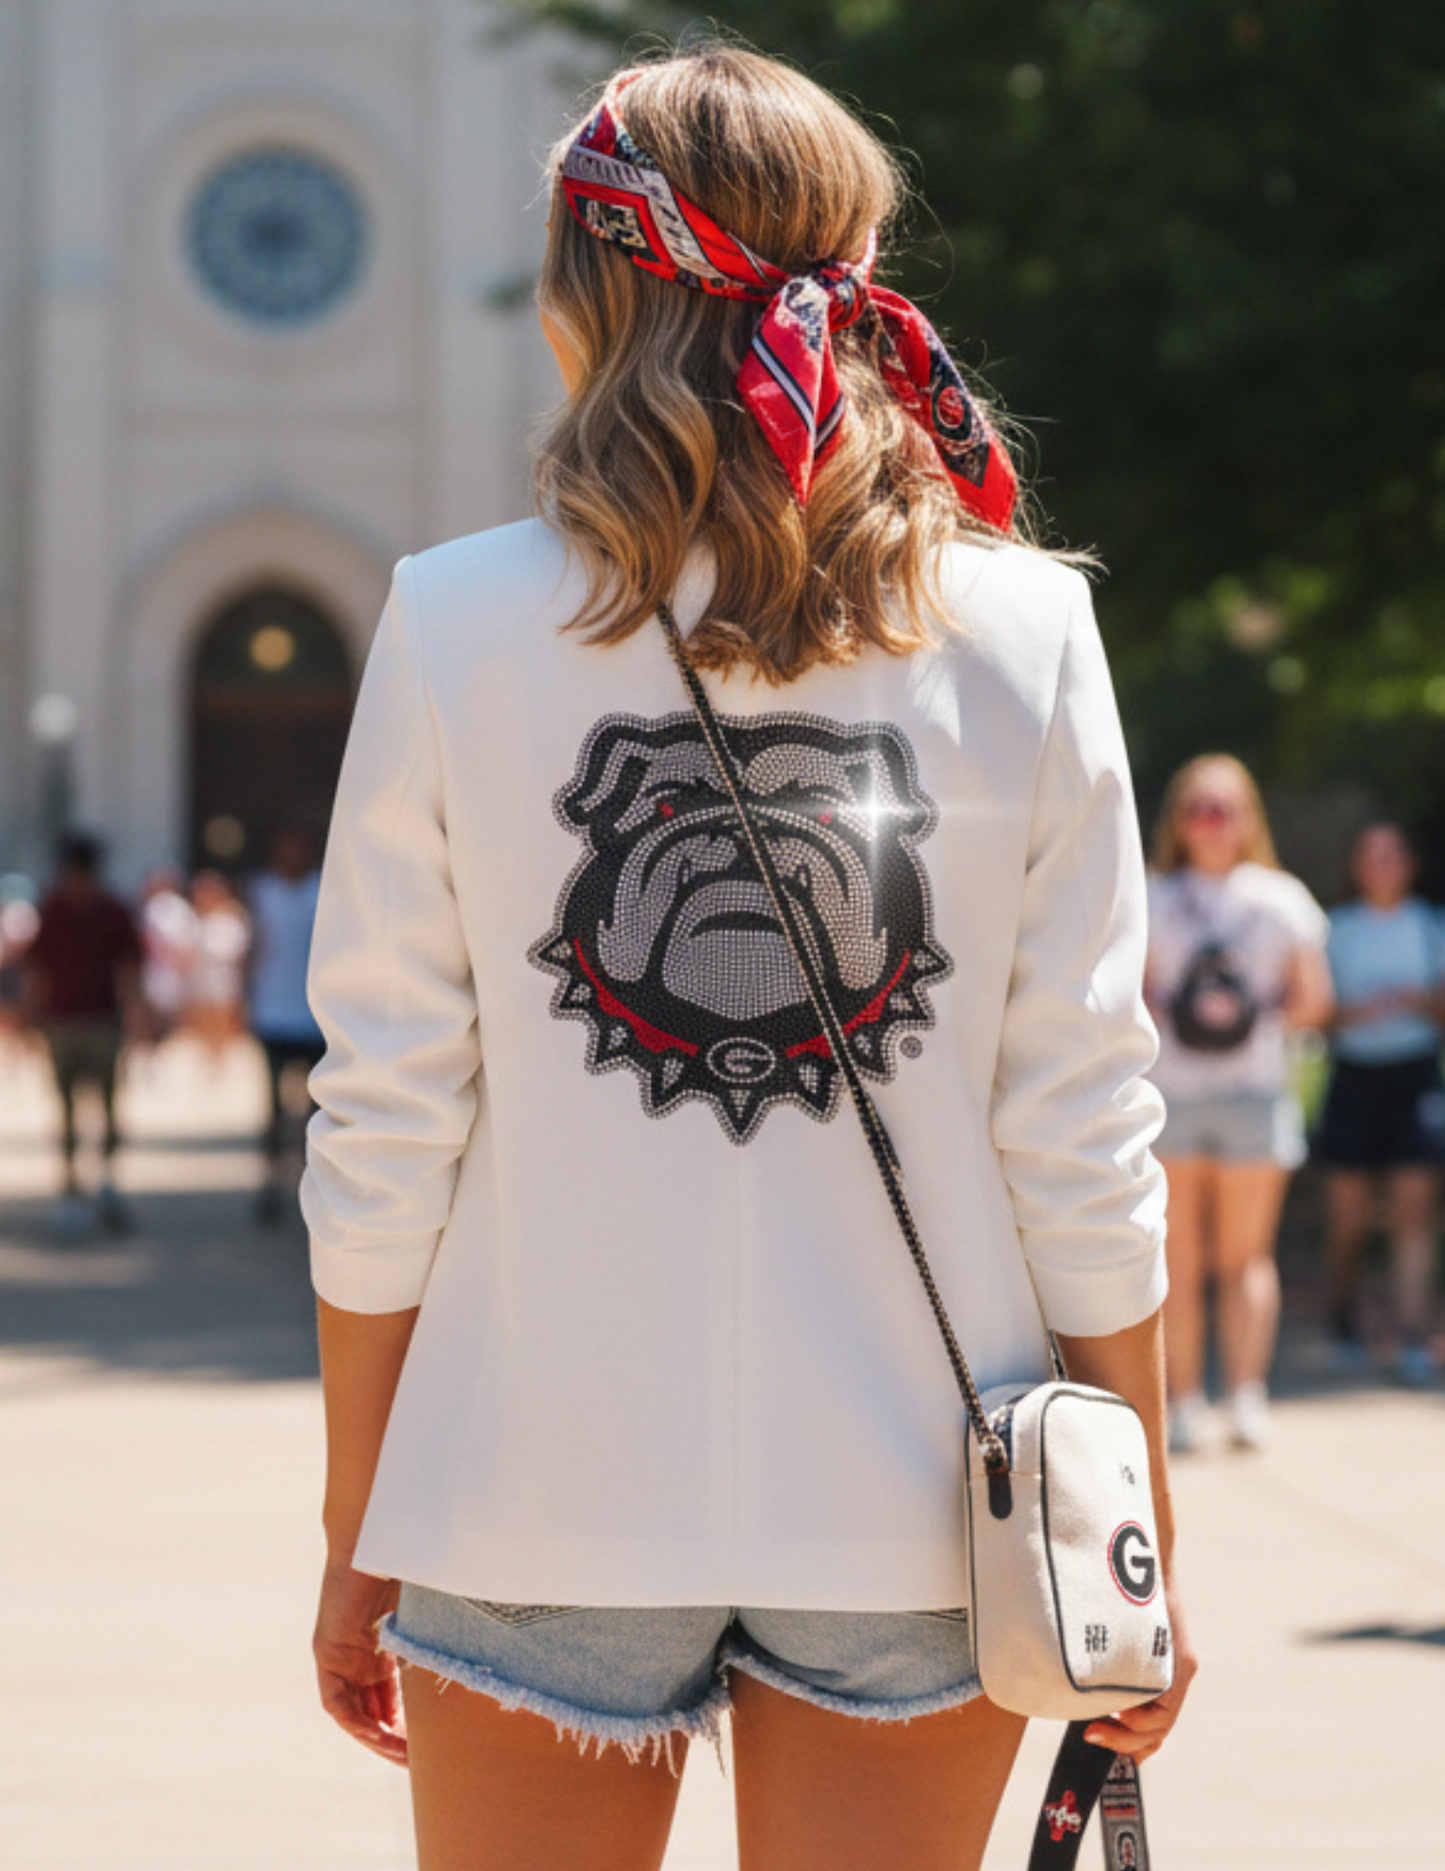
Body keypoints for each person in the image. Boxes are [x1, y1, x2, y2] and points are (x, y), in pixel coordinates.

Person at [303, 45, 1196, 1871]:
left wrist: (357, 1521)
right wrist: (1140, 1540)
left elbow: (386, 1127)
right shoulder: (1025, 634)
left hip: (528, 1478)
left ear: (588, 292)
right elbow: (1085, 1129)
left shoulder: (458, 621)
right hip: (924, 1497)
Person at [1145, 754, 1333, 1453]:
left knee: (1246, 1254)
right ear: (1178, 820)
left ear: (1247, 817)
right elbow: (1125, 994)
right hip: (1171, 1094)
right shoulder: (1148, 895)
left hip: (1253, 1089)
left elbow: (1315, 1002)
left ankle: (1245, 1394)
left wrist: (1253, 1011)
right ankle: (1185, 1400)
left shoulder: (1280, 899)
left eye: (1222, 808)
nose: (1210, 821)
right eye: (1197, 807)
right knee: (1178, 1257)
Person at [1316, 820, 1445, 1385]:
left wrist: (1420, 1002)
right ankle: (1342, 1312)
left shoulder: (1429, 927)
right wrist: (1353, 1014)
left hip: (1414, 1077)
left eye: (1393, 854)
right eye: (1371, 855)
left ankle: (1413, 1332)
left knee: (1415, 1211)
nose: (1382, 865)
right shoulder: (1335, 930)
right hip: (1352, 1076)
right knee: (1348, 1218)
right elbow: (1310, 1012)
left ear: (1409, 864)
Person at [19, 831, 144, 1238]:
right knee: (70, 1105)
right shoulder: (64, 909)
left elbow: (127, 969)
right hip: (72, 1020)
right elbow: (38, 969)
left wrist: (136, 1014)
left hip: (95, 1019)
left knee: (105, 1102)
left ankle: (103, 1179)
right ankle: (75, 1182)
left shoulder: (96, 910)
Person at [247, 828, 325, 1222]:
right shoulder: (263, 893)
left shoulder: (322, 891)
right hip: (273, 1014)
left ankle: (316, 1186)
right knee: (274, 1109)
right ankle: (272, 1183)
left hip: (315, 1018)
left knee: (319, 1111)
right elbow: (253, 947)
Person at [187, 870, 251, 1061]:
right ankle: (208, 1053)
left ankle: (221, 1054)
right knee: (204, 1016)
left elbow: (237, 951)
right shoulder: (200, 919)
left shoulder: (232, 918)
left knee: (224, 1017)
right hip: (203, 977)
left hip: (224, 977)